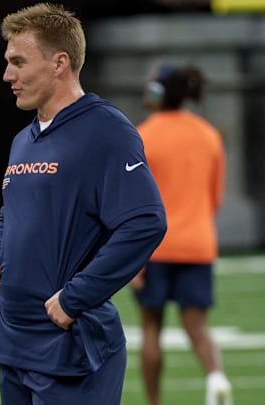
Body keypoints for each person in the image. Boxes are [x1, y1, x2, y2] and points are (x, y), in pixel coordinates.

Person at [0, 3, 167, 404]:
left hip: (71, 348)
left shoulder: (107, 131)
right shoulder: (23, 138)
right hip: (14, 347)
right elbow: (11, 210)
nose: (7, 75)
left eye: (18, 62)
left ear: (59, 63)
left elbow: (145, 222)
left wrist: (74, 297)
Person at [130, 64, 232, 405]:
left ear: (157, 94)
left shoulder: (142, 136)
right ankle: (216, 377)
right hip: (198, 244)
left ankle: (155, 401)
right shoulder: (209, 135)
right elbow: (215, 196)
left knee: (151, 330)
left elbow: (134, 202)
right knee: (198, 327)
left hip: (154, 249)